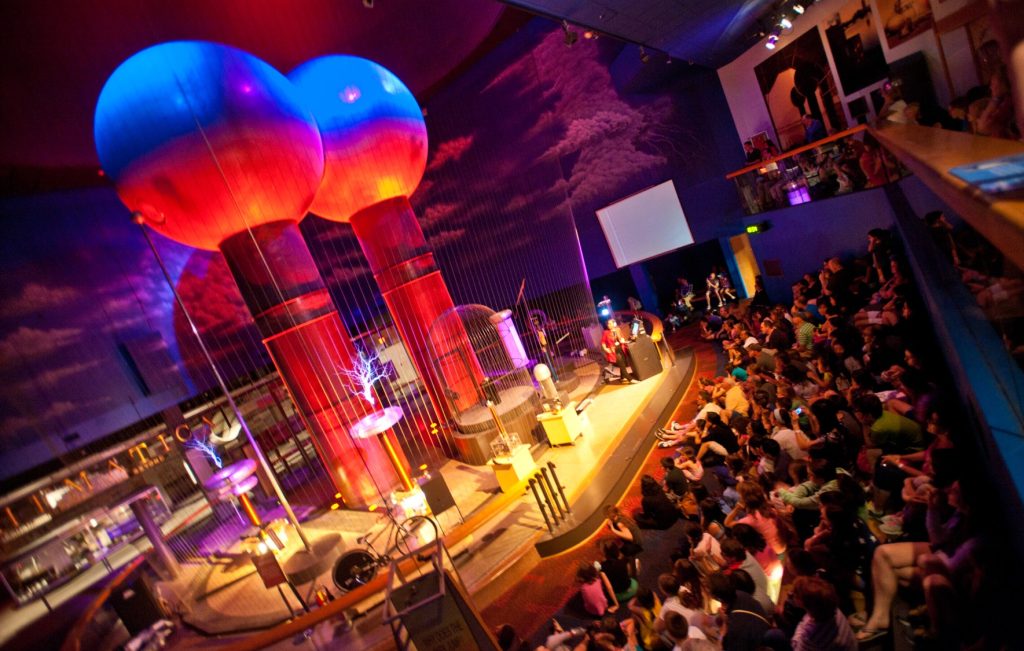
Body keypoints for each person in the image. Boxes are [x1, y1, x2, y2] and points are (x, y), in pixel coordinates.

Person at [708, 571, 771, 651]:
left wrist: (722, 633)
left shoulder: (735, 628)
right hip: (762, 633)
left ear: (716, 597)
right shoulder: (741, 594)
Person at [790, 576, 857, 651]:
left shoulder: (811, 637)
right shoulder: (835, 610)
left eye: (795, 594)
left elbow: (795, 646)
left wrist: (801, 627)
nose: (791, 594)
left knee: (776, 635)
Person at [601, 319, 635, 384]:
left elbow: (622, 337)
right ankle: (630, 379)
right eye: (608, 324)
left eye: (610, 323)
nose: (608, 325)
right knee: (622, 365)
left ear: (614, 324)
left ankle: (622, 378)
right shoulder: (606, 332)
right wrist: (605, 349)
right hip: (613, 350)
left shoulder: (618, 329)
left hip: (621, 348)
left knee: (623, 363)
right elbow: (603, 342)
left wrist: (622, 339)